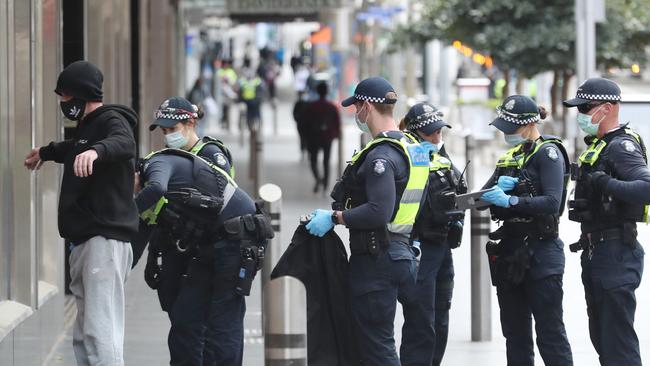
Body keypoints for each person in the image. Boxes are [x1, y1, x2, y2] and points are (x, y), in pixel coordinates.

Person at [305, 77, 429, 365]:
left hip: (377, 259)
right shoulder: (415, 149)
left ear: (366, 107)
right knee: (384, 341)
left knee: (376, 345)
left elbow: (378, 211)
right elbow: (421, 201)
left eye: (356, 107)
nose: (355, 114)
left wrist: (336, 217)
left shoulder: (381, 156)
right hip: (402, 251)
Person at [24, 60, 138, 366]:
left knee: (101, 332)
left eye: (64, 97)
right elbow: (74, 147)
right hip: (88, 240)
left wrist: (96, 152)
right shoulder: (89, 129)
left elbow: (123, 143)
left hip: (103, 241)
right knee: (86, 334)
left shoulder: (112, 120)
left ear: (79, 95)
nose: (62, 103)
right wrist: (46, 153)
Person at [136, 140, 271, 365]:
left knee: (223, 322)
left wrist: (127, 212)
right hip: (209, 244)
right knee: (186, 316)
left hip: (238, 240)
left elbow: (156, 188)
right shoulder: (156, 173)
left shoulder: (156, 164)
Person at [478, 95, 573, 365]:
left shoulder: (549, 153)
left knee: (550, 331)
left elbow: (553, 203)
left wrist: (511, 200)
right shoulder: (509, 157)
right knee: (515, 333)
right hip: (510, 250)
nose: (506, 135)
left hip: (542, 250)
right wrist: (493, 192)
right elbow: (479, 201)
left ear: (530, 124)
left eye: (511, 129)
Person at [564, 78, 650, 366]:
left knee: (618, 346)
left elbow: (646, 187)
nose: (581, 114)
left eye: (586, 108)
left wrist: (606, 184)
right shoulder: (600, 145)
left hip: (616, 252)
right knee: (603, 339)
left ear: (608, 108)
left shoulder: (620, 146)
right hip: (598, 251)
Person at [398, 103, 466, 366]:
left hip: (442, 247)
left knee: (440, 318)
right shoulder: (404, 157)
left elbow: (459, 188)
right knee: (421, 321)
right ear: (415, 133)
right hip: (419, 247)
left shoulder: (443, 159)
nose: (437, 138)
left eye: (439, 132)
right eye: (431, 133)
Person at [304, 82, 341, 193]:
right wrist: (335, 134)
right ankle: (325, 184)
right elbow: (337, 123)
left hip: (313, 137)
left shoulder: (311, 107)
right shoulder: (331, 107)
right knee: (326, 161)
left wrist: (306, 137)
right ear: (327, 91)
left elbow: (305, 122)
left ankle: (318, 179)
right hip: (327, 137)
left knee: (313, 160)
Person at [217, 59, 238, 129]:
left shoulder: (231, 72)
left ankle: (228, 123)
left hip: (229, 94)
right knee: (223, 109)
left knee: (229, 109)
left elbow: (234, 82)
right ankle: (223, 122)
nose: (226, 65)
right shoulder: (220, 71)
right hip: (221, 94)